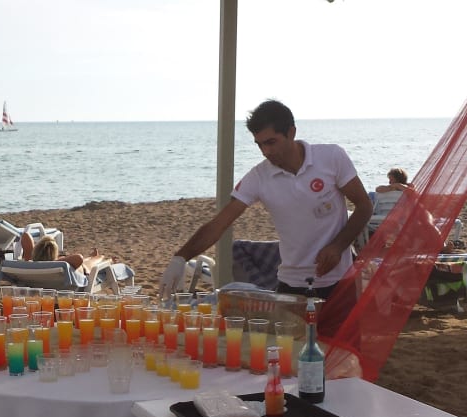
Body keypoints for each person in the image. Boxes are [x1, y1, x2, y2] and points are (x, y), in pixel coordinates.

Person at [158, 99, 371, 335]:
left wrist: (338, 246)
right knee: (291, 354)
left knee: (343, 354)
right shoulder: (259, 177)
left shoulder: (331, 157)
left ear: (291, 132)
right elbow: (220, 223)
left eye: (271, 142)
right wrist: (180, 257)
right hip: (291, 287)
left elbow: (364, 206)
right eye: (259, 144)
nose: (266, 151)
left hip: (340, 282)